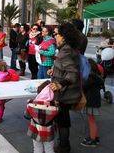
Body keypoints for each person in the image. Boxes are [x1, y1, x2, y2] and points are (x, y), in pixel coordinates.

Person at [49, 22, 81, 153]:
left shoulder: (65, 51)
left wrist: (60, 84)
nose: (55, 37)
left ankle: (64, 146)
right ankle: (63, 144)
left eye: (56, 34)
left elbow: (72, 73)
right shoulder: (69, 48)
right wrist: (54, 71)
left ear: (63, 36)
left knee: (62, 121)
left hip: (65, 93)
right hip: (68, 92)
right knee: (62, 119)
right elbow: (65, 68)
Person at [25, 81, 58, 153]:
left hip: (35, 130)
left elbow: (27, 116)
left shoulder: (31, 104)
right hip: (48, 131)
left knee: (37, 148)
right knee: (49, 149)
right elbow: (57, 119)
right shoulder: (55, 107)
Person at [81, 59, 104, 147]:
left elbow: (84, 86)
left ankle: (93, 140)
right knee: (92, 120)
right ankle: (95, 137)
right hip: (94, 100)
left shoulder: (90, 76)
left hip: (91, 101)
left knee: (91, 121)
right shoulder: (95, 75)